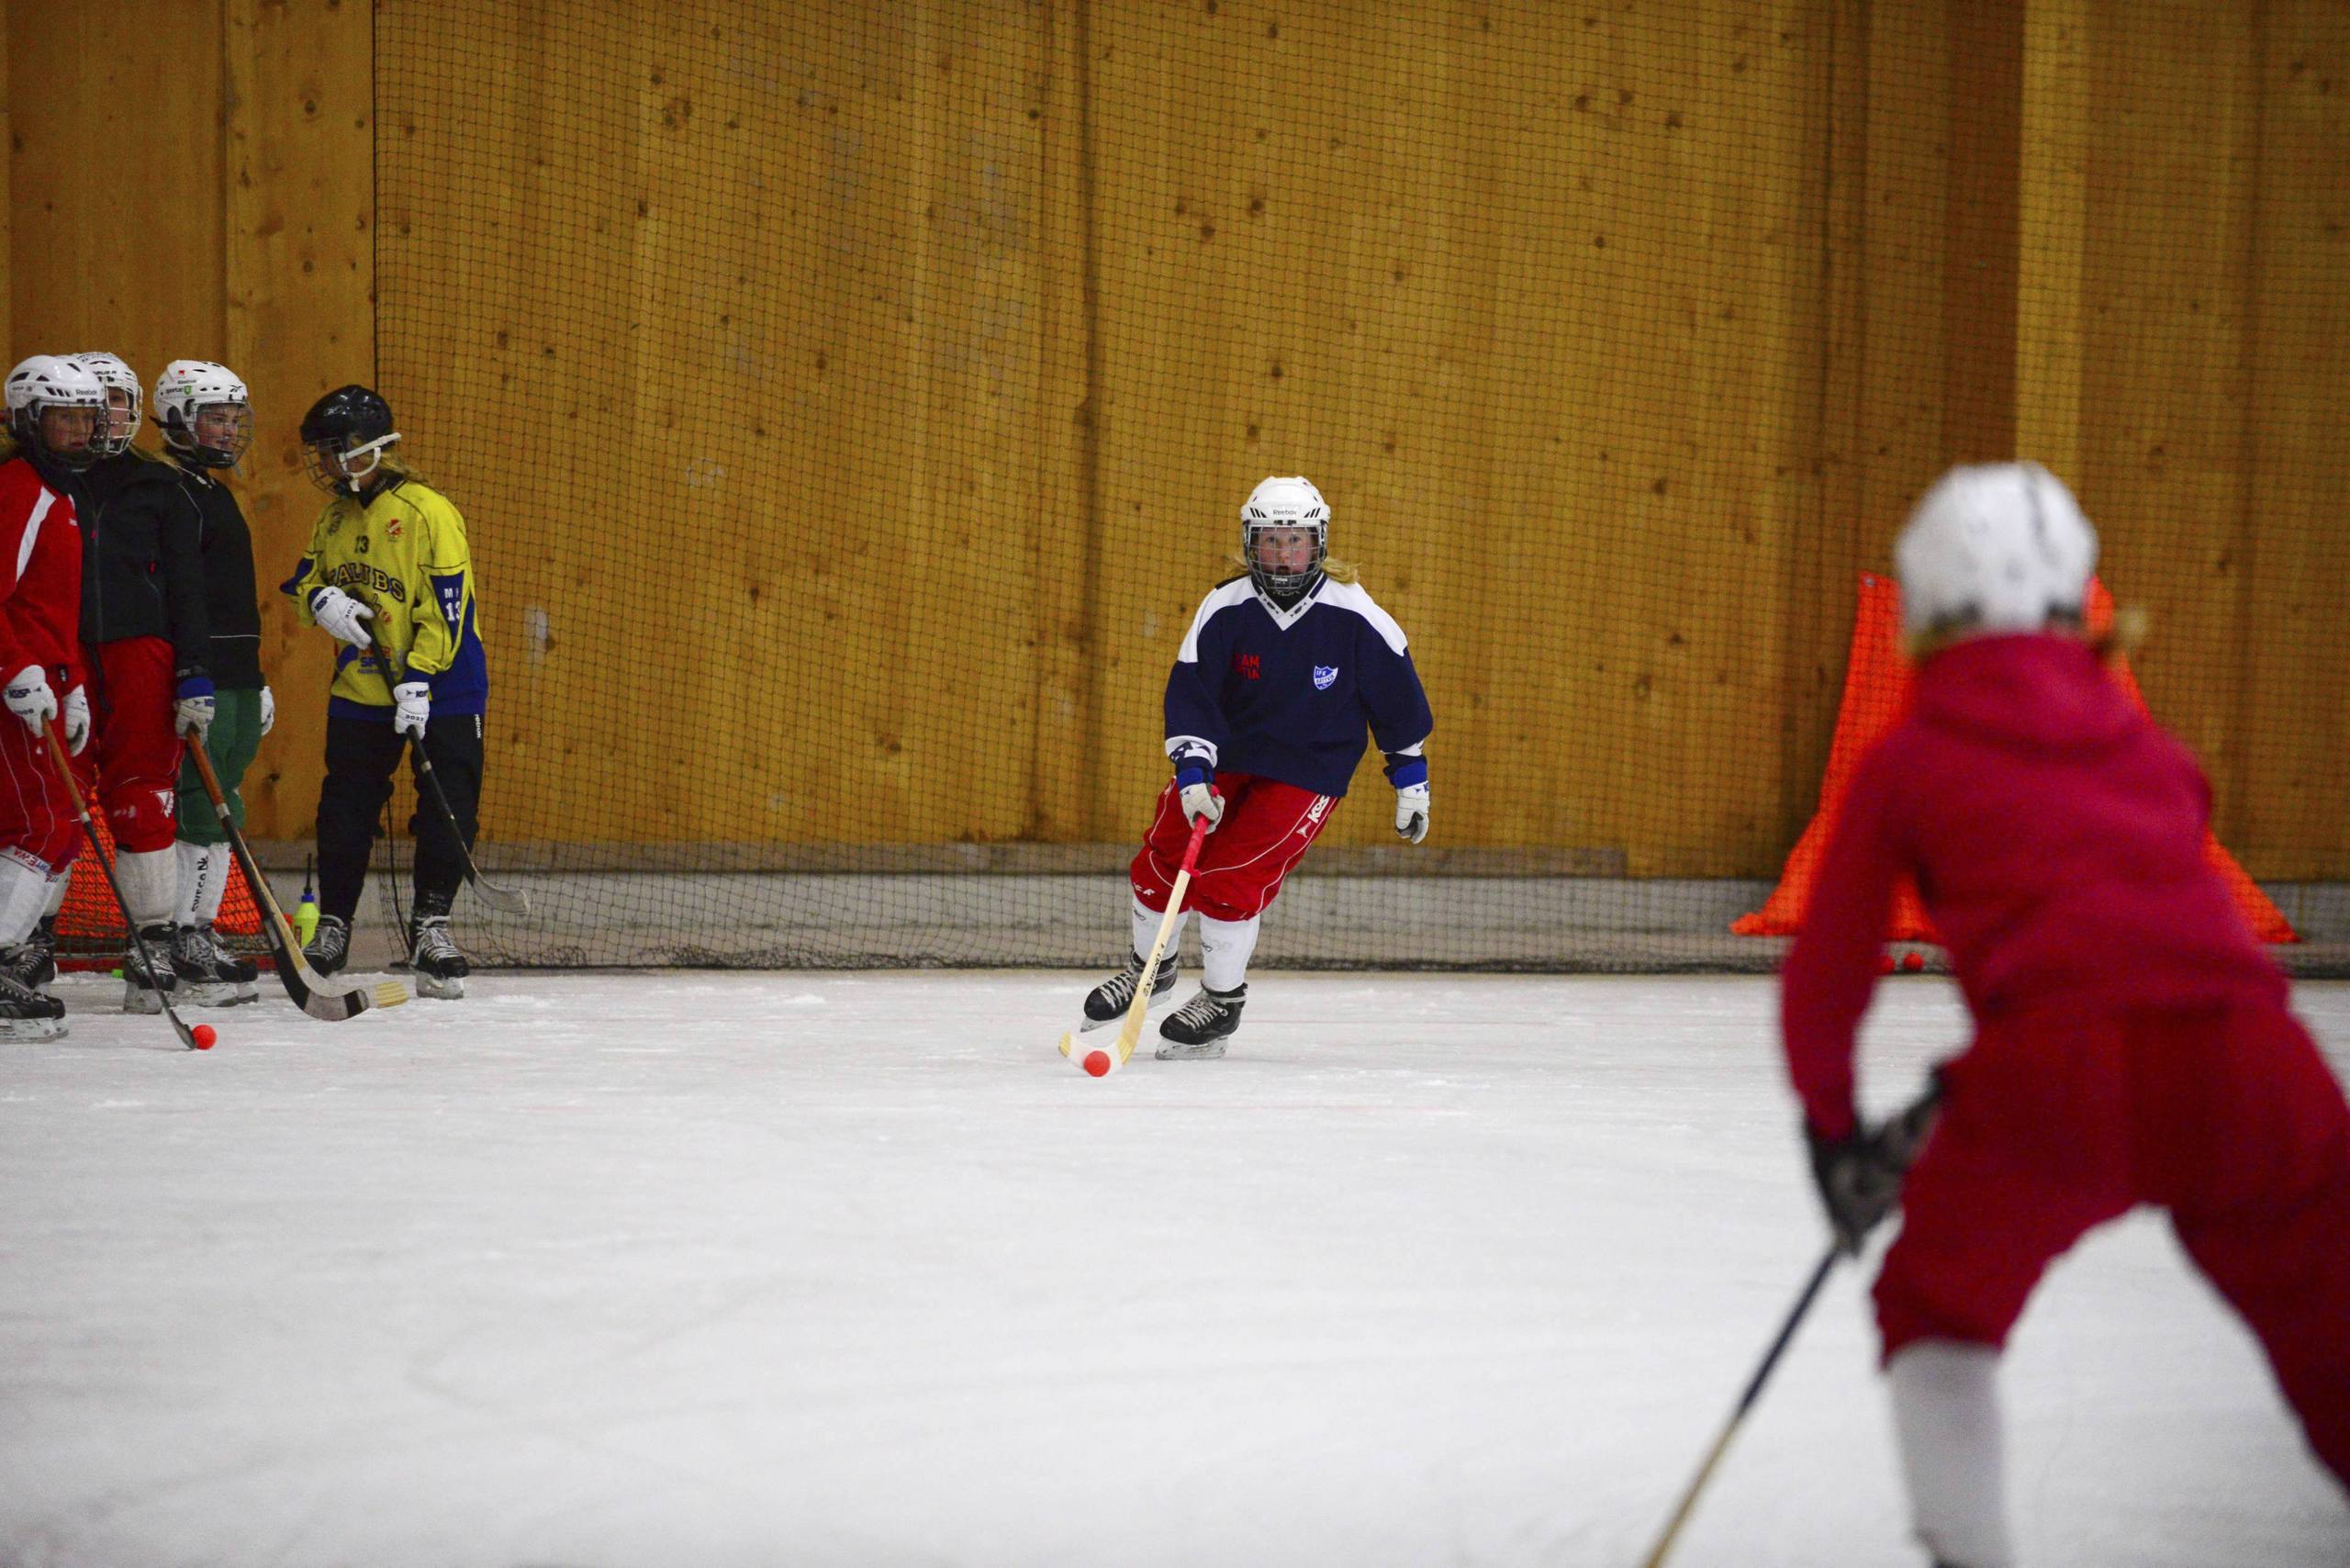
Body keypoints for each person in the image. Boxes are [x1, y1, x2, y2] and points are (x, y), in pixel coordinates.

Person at [1781, 463, 2350, 1567]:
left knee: (1934, 1310)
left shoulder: (1909, 758)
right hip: (2256, 1067)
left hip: (2057, 1075)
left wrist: (1832, 1128)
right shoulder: (2149, 752)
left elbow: (1830, 974)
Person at [1079, 476, 1432, 1058]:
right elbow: (1193, 692)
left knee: (1231, 878)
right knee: (1160, 856)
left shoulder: (1356, 615)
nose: (1284, 554)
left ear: (1318, 543)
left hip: (1307, 771)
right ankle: (1151, 969)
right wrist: (1193, 773)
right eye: (1270, 541)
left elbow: (1397, 700)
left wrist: (1410, 779)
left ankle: (1221, 1001)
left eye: (1296, 541)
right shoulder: (1226, 607)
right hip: (1230, 758)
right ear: (1250, 543)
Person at [281, 385, 487, 1000]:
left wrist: (421, 678)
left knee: (447, 805)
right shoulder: (336, 515)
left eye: (330, 452)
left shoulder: (428, 511)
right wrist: (320, 601)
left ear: (364, 449)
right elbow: (302, 581)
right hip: (362, 687)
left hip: (444, 687)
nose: (323, 466)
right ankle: (334, 927)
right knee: (345, 807)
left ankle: (432, 927)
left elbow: (446, 605)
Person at [64, 352, 213, 1013]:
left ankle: (150, 942)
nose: (105, 417)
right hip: (60, 651)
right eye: (90, 404)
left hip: (141, 654)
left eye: (117, 401)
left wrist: (194, 673)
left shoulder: (161, 486)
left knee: (143, 792)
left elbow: (188, 586)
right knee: (51, 795)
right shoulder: (35, 481)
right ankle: (30, 940)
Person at [155, 360, 270, 1005]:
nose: (229, 431)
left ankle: (203, 926)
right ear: (178, 418)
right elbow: (180, 594)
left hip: (237, 674)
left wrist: (257, 675)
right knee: (198, 803)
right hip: (199, 673)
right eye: (215, 418)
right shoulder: (167, 492)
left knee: (228, 796)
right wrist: (185, 672)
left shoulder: (214, 490)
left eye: (234, 418)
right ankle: (179, 935)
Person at [0, 357, 102, 1036]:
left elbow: (55, 611)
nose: (77, 433)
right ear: (28, 420)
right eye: (62, 418)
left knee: (59, 826)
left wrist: (75, 688)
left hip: (47, 686)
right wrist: (19, 669)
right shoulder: (17, 487)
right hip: (15, 690)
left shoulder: (60, 495)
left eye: (86, 420)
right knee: (38, 825)